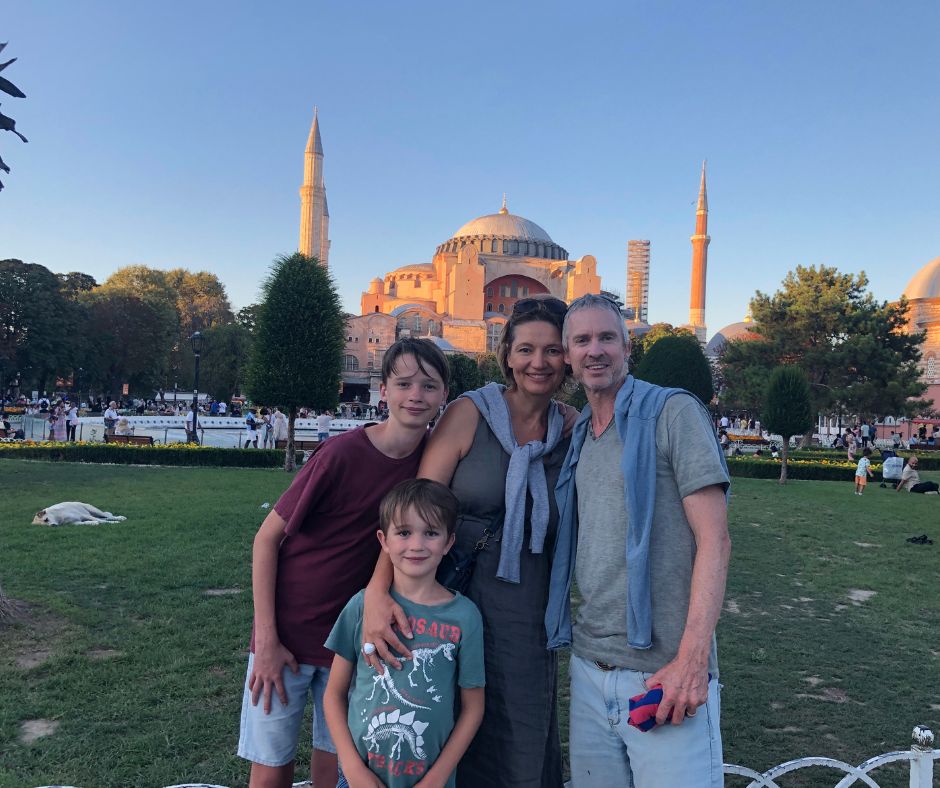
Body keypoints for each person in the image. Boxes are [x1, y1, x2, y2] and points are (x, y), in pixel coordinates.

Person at [363, 295, 574, 787]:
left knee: (518, 721)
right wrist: (378, 592)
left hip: (526, 602)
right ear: (507, 355)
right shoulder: (469, 414)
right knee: (436, 713)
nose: (537, 363)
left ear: (566, 356)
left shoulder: (572, 429)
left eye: (550, 350)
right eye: (525, 349)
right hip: (449, 593)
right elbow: (410, 512)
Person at [237, 338, 450, 788]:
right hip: (288, 637)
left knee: (334, 770)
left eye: (429, 386)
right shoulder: (340, 454)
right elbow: (266, 541)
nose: (416, 395)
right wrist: (268, 641)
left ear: (443, 397)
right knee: (271, 771)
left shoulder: (431, 464)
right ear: (383, 392)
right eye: (404, 383)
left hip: (353, 643)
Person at [545, 293, 730, 788]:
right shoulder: (581, 432)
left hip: (663, 675)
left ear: (628, 347)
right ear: (567, 355)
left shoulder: (673, 413)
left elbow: (715, 539)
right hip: (589, 669)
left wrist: (691, 661)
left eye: (607, 337)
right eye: (581, 340)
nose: (595, 350)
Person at [324, 479, 485, 788]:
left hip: (429, 779)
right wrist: (352, 768)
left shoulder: (466, 617)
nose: (416, 545)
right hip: (360, 776)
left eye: (431, 533)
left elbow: (473, 707)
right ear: (384, 541)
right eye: (404, 532)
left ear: (449, 542)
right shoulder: (361, 608)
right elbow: (333, 694)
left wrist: (437, 779)